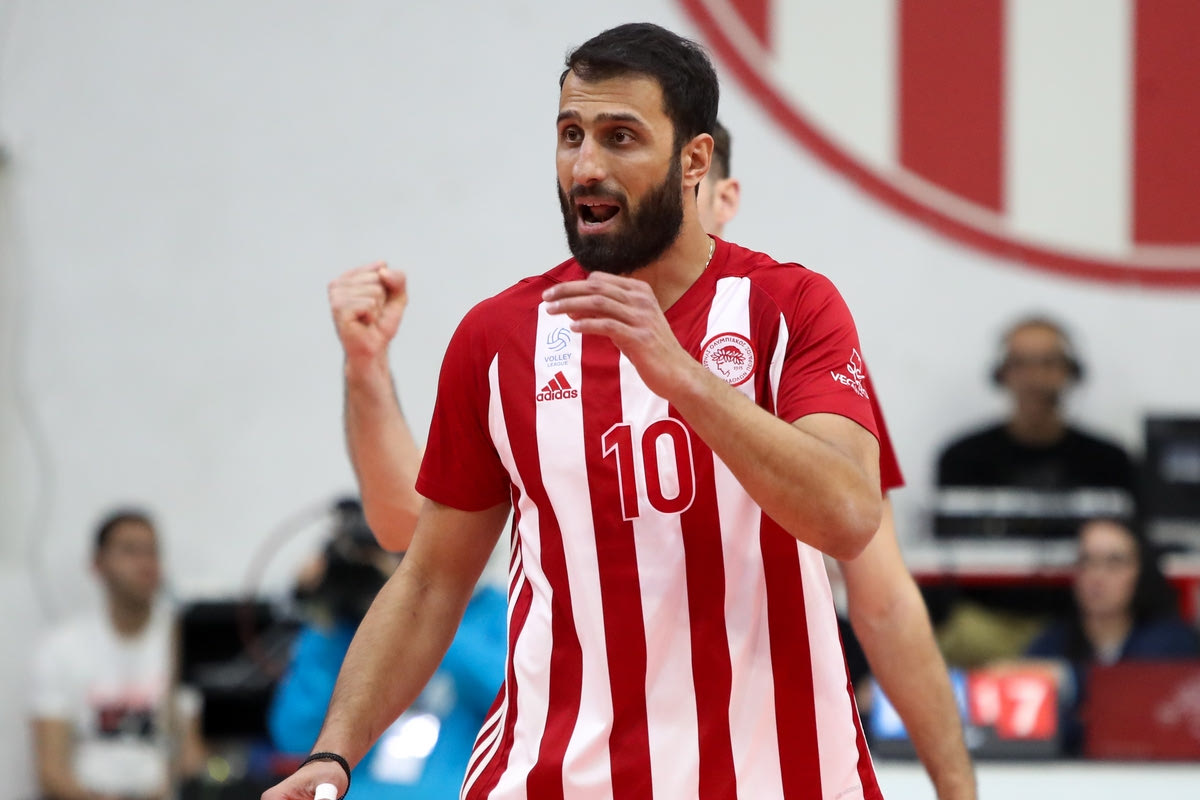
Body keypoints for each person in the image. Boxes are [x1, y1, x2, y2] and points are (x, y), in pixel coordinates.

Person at [269, 22, 887, 800]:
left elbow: (848, 515)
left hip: (779, 777)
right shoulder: (499, 337)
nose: (586, 166)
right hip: (554, 778)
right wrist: (334, 753)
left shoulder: (791, 306)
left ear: (694, 160)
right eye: (571, 136)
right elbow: (428, 580)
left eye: (620, 137)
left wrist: (680, 374)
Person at [698, 120, 975, 800]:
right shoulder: (535, 336)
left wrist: (957, 787)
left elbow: (882, 600)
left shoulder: (800, 326)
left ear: (725, 197)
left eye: (687, 180)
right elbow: (439, 558)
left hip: (776, 753)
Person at [267, 498, 506, 799]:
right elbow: (295, 736)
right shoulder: (343, 627)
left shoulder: (497, 611)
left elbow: (513, 701)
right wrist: (336, 617)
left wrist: (418, 607)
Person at [30, 508, 206, 800]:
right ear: (98, 564)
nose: (145, 563)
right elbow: (51, 770)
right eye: (130, 551)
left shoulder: (180, 642)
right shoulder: (62, 648)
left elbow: (191, 752)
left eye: (152, 551)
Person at [935, 315, 1138, 539]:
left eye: (1048, 363)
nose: (1035, 377)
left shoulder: (1109, 462)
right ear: (1001, 374)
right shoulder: (963, 459)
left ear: (1070, 372)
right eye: (1021, 364)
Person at [1022, 516, 1200, 755]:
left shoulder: (1173, 642)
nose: (1097, 576)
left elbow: (1138, 698)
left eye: (1114, 562)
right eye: (1087, 561)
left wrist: (1069, 680)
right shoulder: (1051, 642)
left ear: (1141, 571)